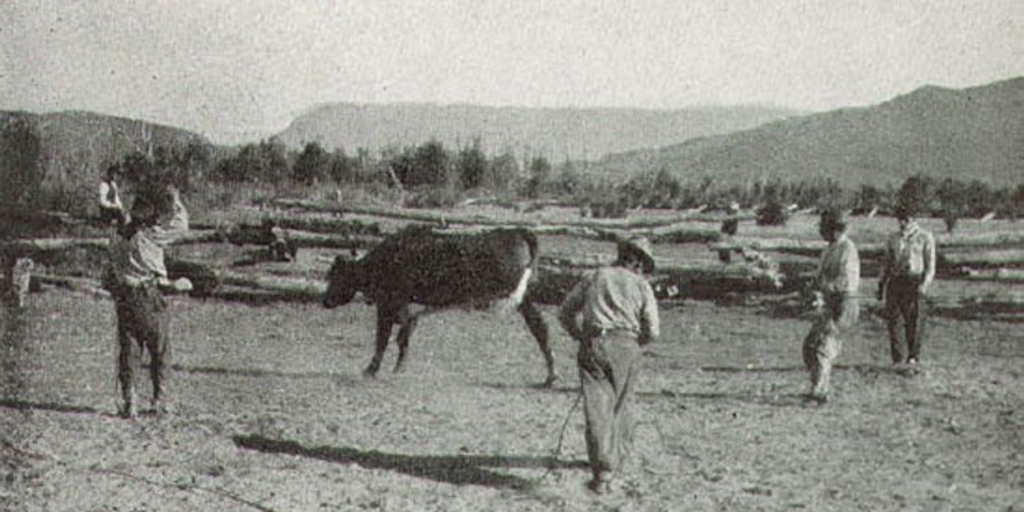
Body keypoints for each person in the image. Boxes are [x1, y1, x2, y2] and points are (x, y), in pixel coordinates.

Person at [558, 236, 660, 494]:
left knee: (597, 408)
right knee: (622, 406)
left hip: (594, 342)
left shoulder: (595, 276)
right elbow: (653, 330)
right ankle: (617, 461)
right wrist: (636, 344)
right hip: (628, 346)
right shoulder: (642, 286)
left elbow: (565, 312)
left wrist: (579, 335)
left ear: (621, 255)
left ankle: (602, 472)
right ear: (639, 263)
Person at [108, 185, 190, 418]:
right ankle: (159, 400)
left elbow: (112, 268)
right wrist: (176, 201)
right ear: (149, 218)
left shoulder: (117, 237)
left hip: (126, 295)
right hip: (150, 294)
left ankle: (130, 400)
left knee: (129, 349)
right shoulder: (151, 236)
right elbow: (181, 226)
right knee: (160, 348)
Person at [802, 209, 860, 403]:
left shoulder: (847, 249)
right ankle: (818, 385)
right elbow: (819, 276)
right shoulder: (828, 249)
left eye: (824, 228)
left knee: (824, 347)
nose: (821, 232)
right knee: (810, 346)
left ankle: (820, 392)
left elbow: (844, 281)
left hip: (844, 303)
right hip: (829, 302)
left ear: (835, 229)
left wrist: (822, 286)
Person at [878, 202, 935, 366]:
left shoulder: (925, 237)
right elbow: (886, 262)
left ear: (913, 219)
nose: (903, 223)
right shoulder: (893, 238)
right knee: (894, 320)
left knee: (914, 320)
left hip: (915, 280)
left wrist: (924, 285)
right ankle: (897, 358)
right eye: (900, 219)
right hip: (896, 281)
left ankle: (913, 356)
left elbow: (930, 266)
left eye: (906, 219)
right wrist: (881, 283)